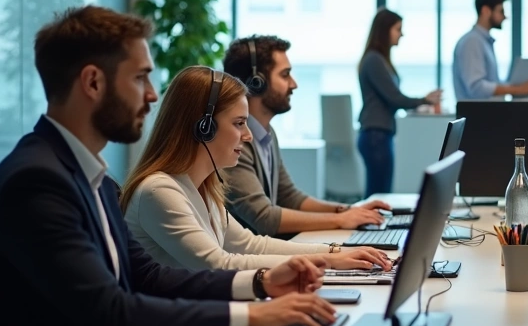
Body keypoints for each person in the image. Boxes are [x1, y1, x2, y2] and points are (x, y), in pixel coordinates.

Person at [0, 7, 336, 326]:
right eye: (140, 77)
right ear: (93, 82)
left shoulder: (94, 179)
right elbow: (111, 312)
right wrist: (254, 313)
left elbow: (148, 277)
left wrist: (264, 281)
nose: (152, 94)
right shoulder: (38, 182)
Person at [122, 66, 393, 273]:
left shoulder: (201, 188)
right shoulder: (159, 191)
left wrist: (335, 252)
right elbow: (219, 264)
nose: (248, 135)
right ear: (203, 127)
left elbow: (252, 244)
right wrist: (329, 260)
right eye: (239, 123)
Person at [222, 35, 389, 237]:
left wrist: (348, 210)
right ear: (257, 82)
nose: (294, 84)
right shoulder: (233, 141)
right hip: (244, 262)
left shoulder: (266, 133)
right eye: (285, 75)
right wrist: (340, 220)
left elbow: (289, 197)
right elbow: (265, 218)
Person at [357, 9, 443, 197]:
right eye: (398, 29)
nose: (401, 34)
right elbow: (395, 98)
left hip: (379, 133)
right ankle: (373, 226)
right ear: (384, 30)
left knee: (380, 190)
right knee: (378, 194)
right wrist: (424, 99)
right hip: (375, 135)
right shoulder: (374, 60)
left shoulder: (379, 60)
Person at [452, 0, 528, 101]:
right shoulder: (472, 42)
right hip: (476, 115)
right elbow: (476, 87)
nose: (505, 17)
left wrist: (524, 85)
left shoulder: (484, 42)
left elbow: (493, 83)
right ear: (486, 11)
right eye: (501, 11)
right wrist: (519, 89)